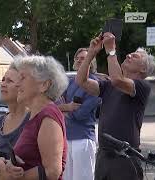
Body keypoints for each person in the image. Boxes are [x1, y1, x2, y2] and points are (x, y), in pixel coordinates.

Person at [76, 33, 155, 180]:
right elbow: (81, 81)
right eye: (130, 54)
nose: (128, 56)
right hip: (104, 156)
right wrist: (91, 54)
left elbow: (117, 80)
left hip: (125, 158)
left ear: (143, 70)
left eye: (135, 56)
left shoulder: (142, 86)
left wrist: (111, 50)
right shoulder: (108, 85)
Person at [0, 55, 69, 180]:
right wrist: (8, 164)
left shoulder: (48, 116)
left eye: (23, 78)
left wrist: (10, 178)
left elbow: (52, 172)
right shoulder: (36, 116)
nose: (18, 83)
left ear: (44, 85)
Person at [58, 48, 100, 180]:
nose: (80, 60)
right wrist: (68, 107)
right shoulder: (69, 82)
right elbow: (53, 106)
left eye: (84, 58)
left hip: (83, 139)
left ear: (91, 62)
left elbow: (80, 114)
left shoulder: (95, 84)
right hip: (66, 139)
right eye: (78, 58)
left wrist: (63, 110)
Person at [0, 64, 30, 179]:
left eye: (9, 81)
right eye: (3, 79)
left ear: (22, 87)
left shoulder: (33, 119)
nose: (3, 84)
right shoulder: (1, 122)